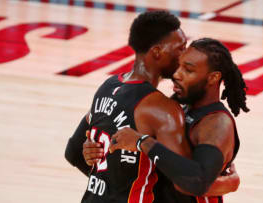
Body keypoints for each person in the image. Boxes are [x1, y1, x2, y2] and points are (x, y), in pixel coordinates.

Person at [65, 11, 238, 203]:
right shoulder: (162, 110)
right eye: (181, 48)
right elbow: (191, 182)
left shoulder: (108, 86)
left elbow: (73, 152)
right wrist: (229, 183)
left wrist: (108, 181)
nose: (184, 54)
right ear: (157, 52)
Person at [108, 38, 249, 202]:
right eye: (179, 66)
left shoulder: (217, 124)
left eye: (188, 70)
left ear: (213, 78)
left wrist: (143, 142)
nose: (176, 74)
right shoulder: (179, 106)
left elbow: (196, 182)